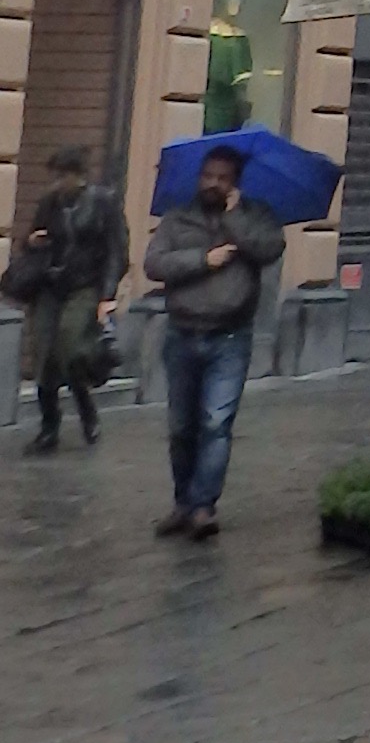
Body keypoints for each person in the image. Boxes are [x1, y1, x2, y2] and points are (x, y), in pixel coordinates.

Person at [142, 145, 284, 539]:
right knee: (181, 427)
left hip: (230, 337)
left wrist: (235, 218)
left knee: (216, 423)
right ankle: (182, 504)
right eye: (207, 176)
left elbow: (270, 250)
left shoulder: (257, 216)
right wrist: (204, 259)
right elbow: (154, 263)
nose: (212, 183)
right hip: (182, 333)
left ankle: (203, 507)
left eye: (222, 178)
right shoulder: (177, 217)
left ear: (235, 182)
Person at [7, 147, 127, 451]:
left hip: (84, 285)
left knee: (70, 347)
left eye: (63, 176)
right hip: (49, 284)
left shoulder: (103, 202)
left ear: (80, 176)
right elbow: (32, 241)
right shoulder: (50, 203)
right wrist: (31, 241)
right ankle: (49, 427)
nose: (58, 183)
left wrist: (107, 295)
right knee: (44, 353)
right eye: (55, 176)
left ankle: (86, 407)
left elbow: (116, 252)